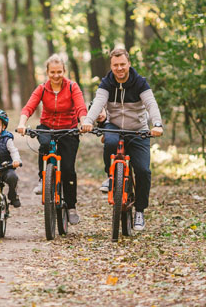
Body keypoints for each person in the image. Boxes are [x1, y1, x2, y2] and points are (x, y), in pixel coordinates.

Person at [81, 47, 163, 231]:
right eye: (115, 65)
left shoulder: (140, 83)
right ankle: (111, 178)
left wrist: (157, 124)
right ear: (111, 66)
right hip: (115, 126)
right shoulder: (107, 83)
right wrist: (88, 120)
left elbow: (151, 105)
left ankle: (140, 211)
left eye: (122, 64)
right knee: (109, 141)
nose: (119, 68)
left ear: (129, 64)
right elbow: (98, 103)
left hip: (138, 130)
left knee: (142, 171)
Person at [16, 54, 88, 225]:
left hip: (68, 129)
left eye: (59, 71)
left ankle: (71, 207)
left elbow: (80, 107)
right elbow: (29, 107)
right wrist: (21, 124)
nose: (56, 75)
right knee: (45, 143)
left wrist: (84, 122)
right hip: (48, 126)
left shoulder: (72, 87)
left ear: (64, 71)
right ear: (47, 72)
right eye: (52, 72)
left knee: (69, 169)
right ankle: (43, 180)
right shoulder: (42, 88)